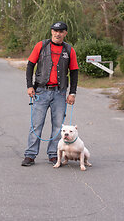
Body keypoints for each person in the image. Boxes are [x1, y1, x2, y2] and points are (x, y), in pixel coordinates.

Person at [21, 21, 78, 166]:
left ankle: (54, 155)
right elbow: (30, 66)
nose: (57, 33)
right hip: (40, 91)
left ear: (65, 33)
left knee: (58, 126)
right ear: (51, 32)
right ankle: (30, 155)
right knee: (36, 125)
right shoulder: (41, 46)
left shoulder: (69, 50)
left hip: (60, 93)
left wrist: (72, 93)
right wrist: (29, 86)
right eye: (55, 31)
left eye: (61, 31)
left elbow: (74, 72)